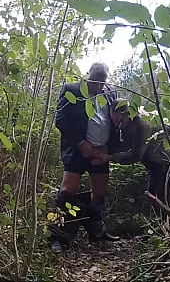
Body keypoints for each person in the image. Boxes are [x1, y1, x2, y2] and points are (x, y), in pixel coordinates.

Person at [49, 62, 121, 253]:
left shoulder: (111, 93)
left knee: (99, 191)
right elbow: (61, 121)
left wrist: (107, 149)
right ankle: (57, 235)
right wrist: (82, 144)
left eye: (102, 82)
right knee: (67, 190)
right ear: (88, 76)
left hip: (100, 151)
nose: (98, 86)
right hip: (77, 149)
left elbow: (116, 121)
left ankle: (96, 232)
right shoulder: (71, 90)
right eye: (95, 81)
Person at [94, 98, 170, 210]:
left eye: (119, 121)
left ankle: (166, 220)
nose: (117, 125)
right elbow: (125, 146)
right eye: (114, 121)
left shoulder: (143, 124)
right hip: (151, 159)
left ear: (125, 113)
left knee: (158, 194)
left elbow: (136, 155)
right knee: (152, 192)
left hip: (163, 161)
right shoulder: (126, 122)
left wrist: (109, 157)